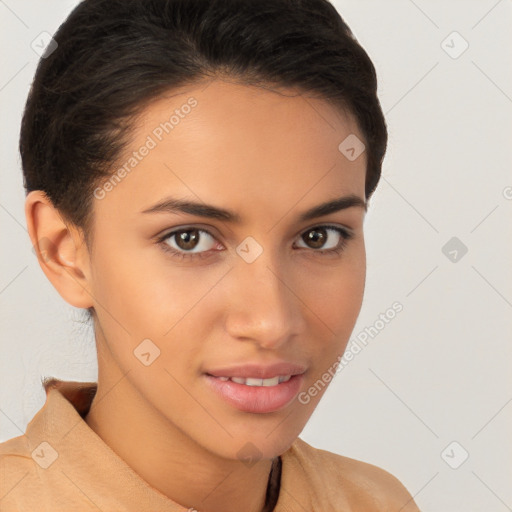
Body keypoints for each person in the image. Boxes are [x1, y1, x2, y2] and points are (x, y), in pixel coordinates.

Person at [0, 0, 421, 510]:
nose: (271, 322)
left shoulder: (374, 502)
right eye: (190, 239)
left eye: (319, 236)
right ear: (64, 251)